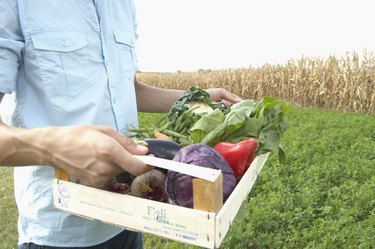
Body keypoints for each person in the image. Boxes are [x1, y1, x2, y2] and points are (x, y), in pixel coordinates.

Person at [0, 1, 241, 248]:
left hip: (129, 215)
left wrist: (199, 97)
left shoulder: (122, 5)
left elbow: (128, 89)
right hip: (60, 230)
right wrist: (54, 149)